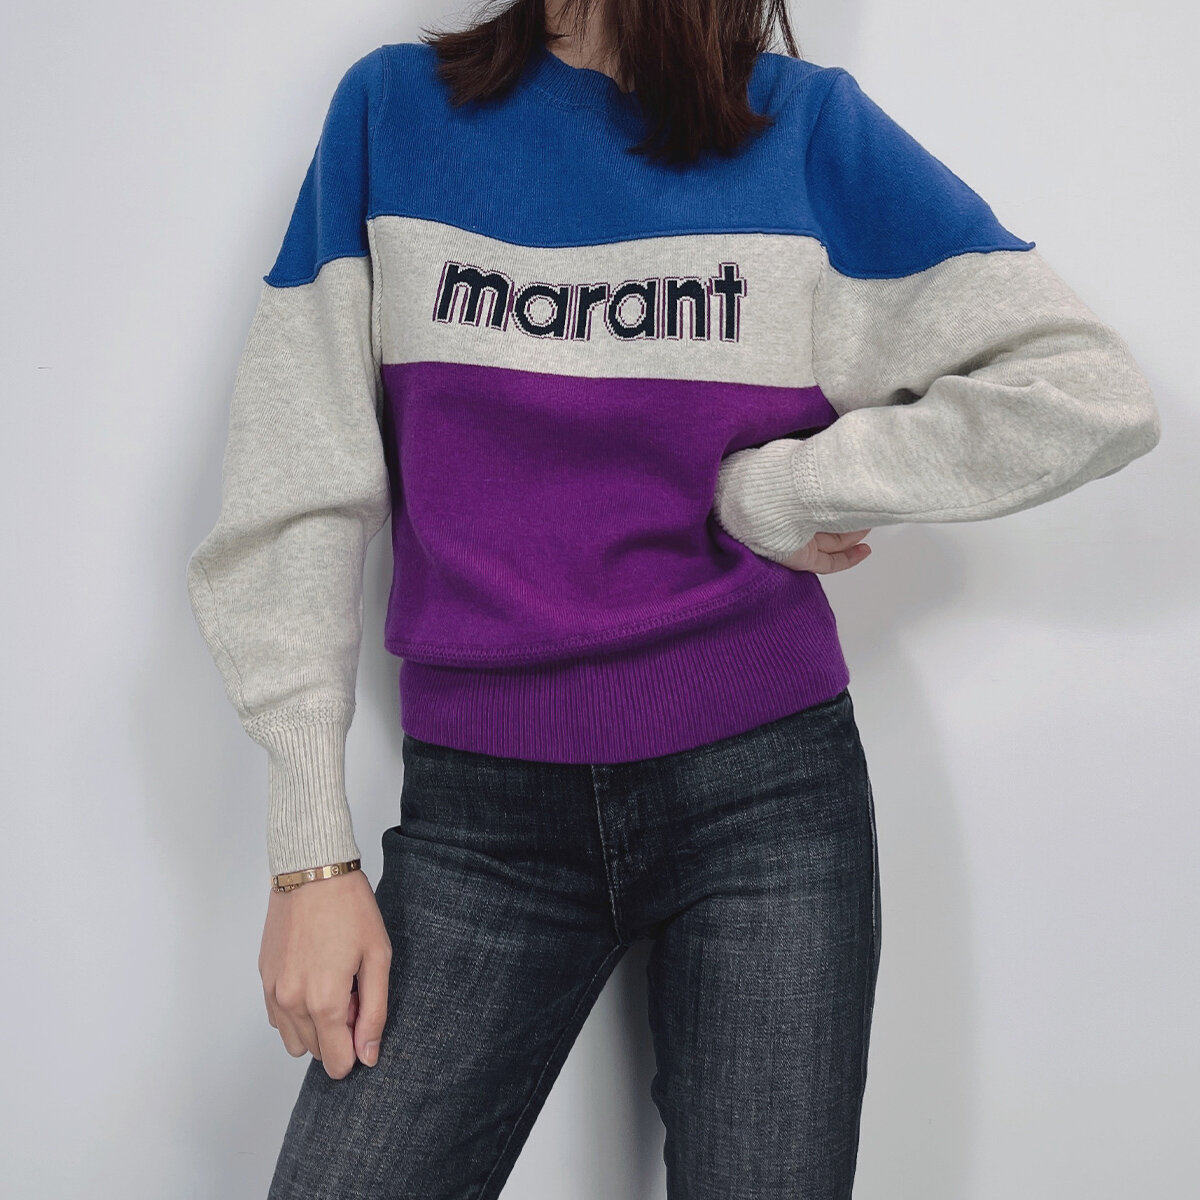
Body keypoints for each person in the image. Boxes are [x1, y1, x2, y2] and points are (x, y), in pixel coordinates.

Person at [186, 1, 1160, 1196]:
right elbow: (296, 491)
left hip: (765, 802)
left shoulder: (802, 132)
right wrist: (309, 858)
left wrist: (786, 489)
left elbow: (1086, 389)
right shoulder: (392, 117)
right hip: (483, 828)